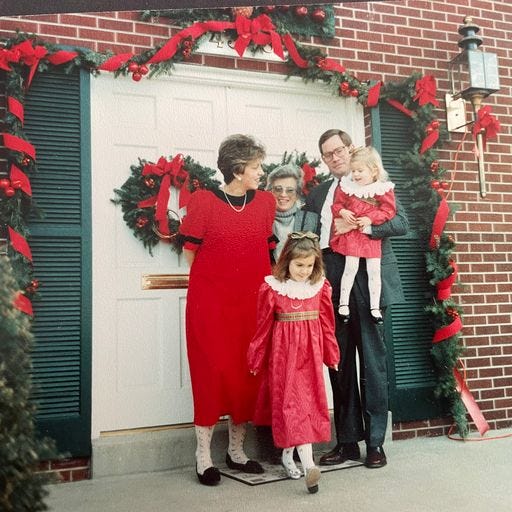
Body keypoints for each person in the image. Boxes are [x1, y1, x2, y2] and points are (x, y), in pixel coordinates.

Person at [304, 129, 408, 469]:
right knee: (340, 361)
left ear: (351, 149)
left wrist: (366, 227)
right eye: (327, 154)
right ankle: (348, 441)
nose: (334, 157)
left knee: (374, 362)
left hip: (371, 276)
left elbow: (401, 222)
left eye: (338, 150)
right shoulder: (319, 194)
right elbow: (307, 236)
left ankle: (376, 443)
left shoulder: (374, 184)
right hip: (333, 277)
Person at [179, 134, 276, 486]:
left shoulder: (265, 203)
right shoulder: (204, 201)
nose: (261, 172)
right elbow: (191, 253)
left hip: (250, 306)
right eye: (256, 167)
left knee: (245, 375)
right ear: (237, 170)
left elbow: (267, 252)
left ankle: (236, 452)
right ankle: (202, 456)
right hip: (211, 306)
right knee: (209, 375)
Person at [247, 232, 340, 494]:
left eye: (309, 265)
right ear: (287, 261)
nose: (304, 271)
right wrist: (256, 357)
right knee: (292, 406)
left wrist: (331, 355)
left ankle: (291, 456)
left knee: (304, 406)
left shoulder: (319, 287)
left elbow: (327, 325)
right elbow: (263, 327)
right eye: (299, 265)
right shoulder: (273, 289)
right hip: (283, 357)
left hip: (309, 357)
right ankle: (309, 465)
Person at [330, 146, 396, 325]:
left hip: (370, 237)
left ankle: (375, 307)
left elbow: (388, 210)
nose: (356, 174)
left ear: (373, 170)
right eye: (353, 170)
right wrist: (343, 211)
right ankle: (343, 304)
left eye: (360, 170)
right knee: (350, 267)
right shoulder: (347, 187)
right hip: (352, 235)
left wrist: (370, 218)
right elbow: (336, 205)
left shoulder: (382, 189)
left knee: (375, 270)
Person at [266, 164, 319, 261]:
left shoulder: (311, 220)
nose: (283, 194)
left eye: (290, 190)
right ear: (270, 192)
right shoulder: (261, 220)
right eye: (278, 189)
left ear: (297, 194)